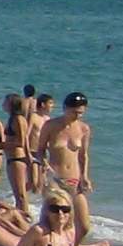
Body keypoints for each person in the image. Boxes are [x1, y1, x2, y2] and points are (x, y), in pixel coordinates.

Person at [36, 92, 96, 236]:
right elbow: (40, 150)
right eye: (74, 112)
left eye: (81, 113)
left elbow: (83, 155)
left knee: (84, 227)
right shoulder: (50, 125)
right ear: (65, 108)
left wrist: (85, 176)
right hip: (55, 179)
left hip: (75, 180)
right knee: (52, 223)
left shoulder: (84, 128)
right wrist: (44, 163)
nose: (77, 116)